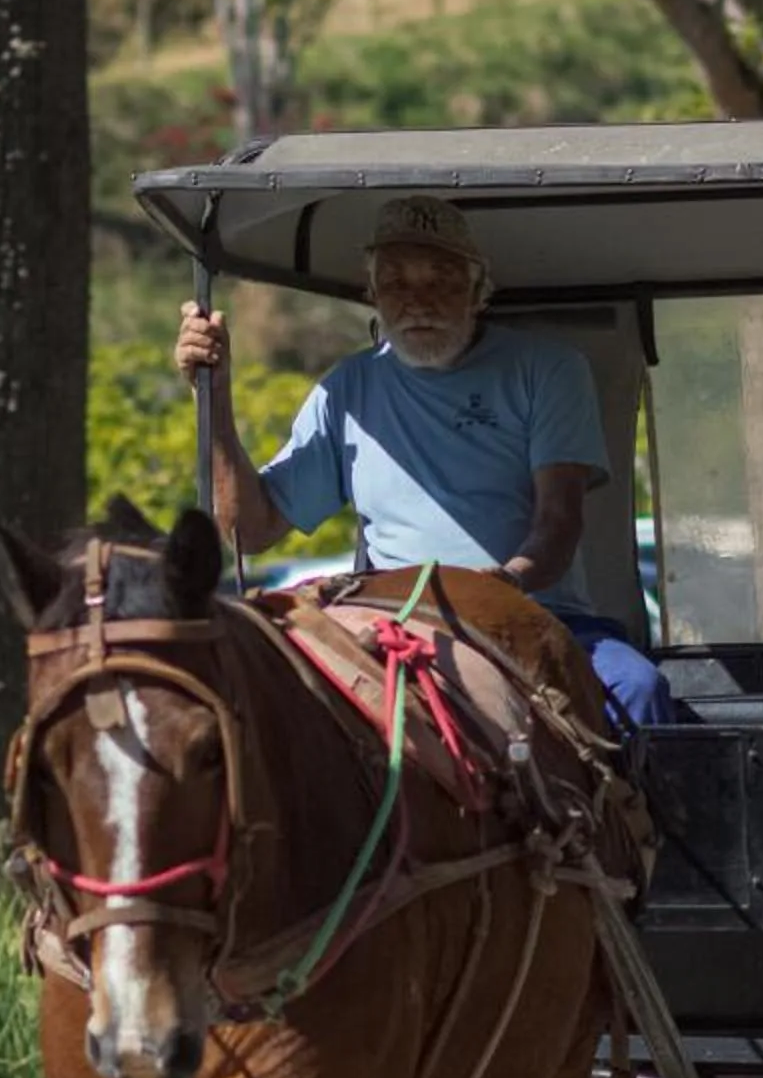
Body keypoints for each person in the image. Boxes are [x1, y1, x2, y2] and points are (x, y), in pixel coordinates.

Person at [173, 195, 677, 730]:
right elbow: (250, 531)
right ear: (372, 296)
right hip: (388, 619)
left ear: (480, 292)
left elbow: (559, 520)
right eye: (396, 282)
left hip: (534, 614)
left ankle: (640, 815)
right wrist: (215, 394)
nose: (419, 301)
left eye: (442, 280)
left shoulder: (547, 371)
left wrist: (504, 582)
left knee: (639, 689)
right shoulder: (347, 389)